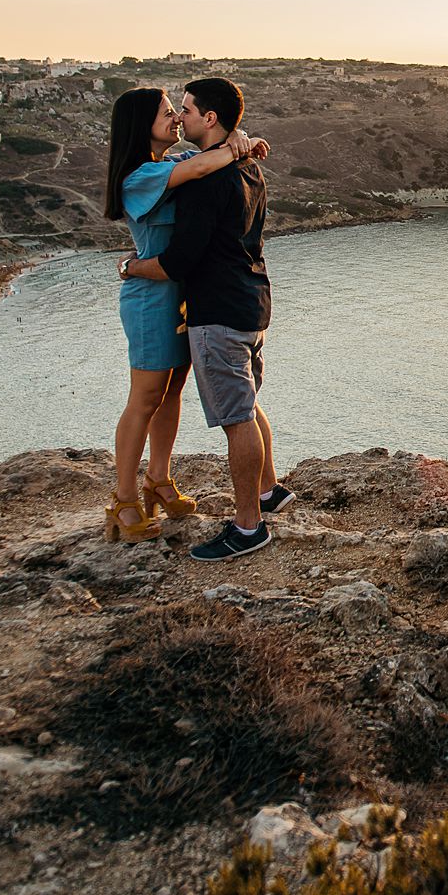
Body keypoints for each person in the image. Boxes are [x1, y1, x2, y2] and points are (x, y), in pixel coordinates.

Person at [121, 76, 292, 562]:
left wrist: (130, 267)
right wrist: (243, 143)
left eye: (187, 109)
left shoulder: (203, 181)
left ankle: (247, 527)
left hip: (216, 310)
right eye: (173, 111)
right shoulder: (250, 171)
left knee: (236, 416)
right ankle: (268, 491)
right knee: (249, 402)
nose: (180, 117)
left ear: (209, 118)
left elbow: (178, 263)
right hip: (253, 301)